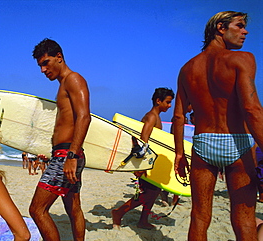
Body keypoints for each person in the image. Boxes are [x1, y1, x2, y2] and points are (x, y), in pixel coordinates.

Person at [173, 11, 263, 240]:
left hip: (203, 143)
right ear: (221, 28)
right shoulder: (243, 59)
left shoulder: (187, 69)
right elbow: (252, 110)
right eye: (240, 26)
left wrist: (179, 154)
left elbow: (179, 117)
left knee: (200, 217)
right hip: (238, 143)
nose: (245, 32)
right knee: (244, 219)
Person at [29, 38, 91, 241]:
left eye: (45, 63)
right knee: (74, 209)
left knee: (37, 210)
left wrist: (71, 156)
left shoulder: (73, 79)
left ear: (59, 58)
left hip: (67, 155)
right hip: (65, 153)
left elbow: (84, 116)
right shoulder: (63, 84)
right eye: (40, 65)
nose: (42, 70)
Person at [112, 87, 174, 230]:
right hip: (146, 162)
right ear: (158, 101)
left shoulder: (156, 116)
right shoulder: (152, 116)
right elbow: (143, 140)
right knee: (148, 193)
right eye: (168, 102)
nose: (170, 105)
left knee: (153, 193)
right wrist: (142, 165)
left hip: (151, 162)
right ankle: (119, 212)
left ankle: (143, 221)